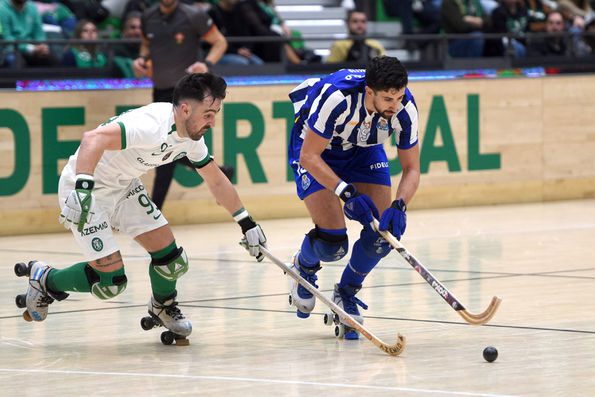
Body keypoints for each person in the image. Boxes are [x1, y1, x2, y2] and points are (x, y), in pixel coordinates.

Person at [19, 73, 267, 342]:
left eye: (215, 113)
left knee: (172, 262)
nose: (213, 122)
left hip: (124, 186)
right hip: (86, 188)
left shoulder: (192, 140)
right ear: (185, 109)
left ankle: (162, 306)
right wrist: (82, 189)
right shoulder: (150, 125)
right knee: (111, 284)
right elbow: (92, 139)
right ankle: (45, 279)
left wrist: (246, 222)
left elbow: (216, 179)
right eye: (208, 114)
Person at [286, 56, 420, 340]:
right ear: (369, 91)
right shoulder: (338, 97)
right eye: (387, 98)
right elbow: (309, 156)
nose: (394, 105)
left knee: (383, 234)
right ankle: (304, 265)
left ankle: (346, 292)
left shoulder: (404, 107)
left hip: (364, 149)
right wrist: (345, 192)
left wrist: (400, 205)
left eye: (398, 97)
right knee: (333, 243)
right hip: (317, 150)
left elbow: (412, 168)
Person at [132, 0, 229, 211]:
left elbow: (220, 42)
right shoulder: (148, 17)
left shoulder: (193, 15)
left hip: (185, 94)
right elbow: (146, 44)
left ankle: (153, 212)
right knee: (167, 147)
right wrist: (141, 58)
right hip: (160, 90)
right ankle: (219, 170)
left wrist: (207, 64)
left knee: (165, 151)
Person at [0, 0, 55, 67]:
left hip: (33, 48)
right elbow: (7, 39)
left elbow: (39, 33)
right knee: (13, 59)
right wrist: (31, 48)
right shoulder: (1, 8)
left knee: (51, 57)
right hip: (9, 50)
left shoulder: (32, 7)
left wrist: (42, 46)